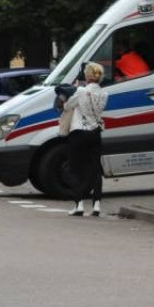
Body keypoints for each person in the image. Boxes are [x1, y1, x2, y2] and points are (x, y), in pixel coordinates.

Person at [59, 62, 107, 216]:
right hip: (95, 132)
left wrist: (73, 90)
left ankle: (79, 204)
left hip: (78, 132)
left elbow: (67, 106)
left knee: (75, 168)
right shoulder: (104, 94)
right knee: (96, 169)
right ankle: (97, 205)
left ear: (87, 76)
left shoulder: (80, 91)